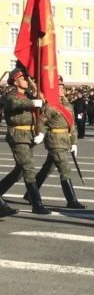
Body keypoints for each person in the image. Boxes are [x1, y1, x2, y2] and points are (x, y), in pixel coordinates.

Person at [24, 75, 85, 209]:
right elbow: (41, 120)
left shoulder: (68, 105)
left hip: (65, 140)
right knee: (65, 168)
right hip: (54, 140)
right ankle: (71, 200)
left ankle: (30, 194)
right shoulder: (50, 105)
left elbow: (72, 126)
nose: (62, 89)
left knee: (47, 169)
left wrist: (74, 142)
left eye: (63, 87)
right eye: (59, 87)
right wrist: (40, 133)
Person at [0, 67, 46, 216]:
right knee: (28, 168)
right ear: (15, 80)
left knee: (19, 171)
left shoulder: (30, 96)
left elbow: (41, 114)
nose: (28, 80)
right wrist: (33, 103)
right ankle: (37, 204)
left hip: (30, 136)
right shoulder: (11, 94)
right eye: (24, 78)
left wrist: (42, 132)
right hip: (17, 136)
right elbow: (13, 103)